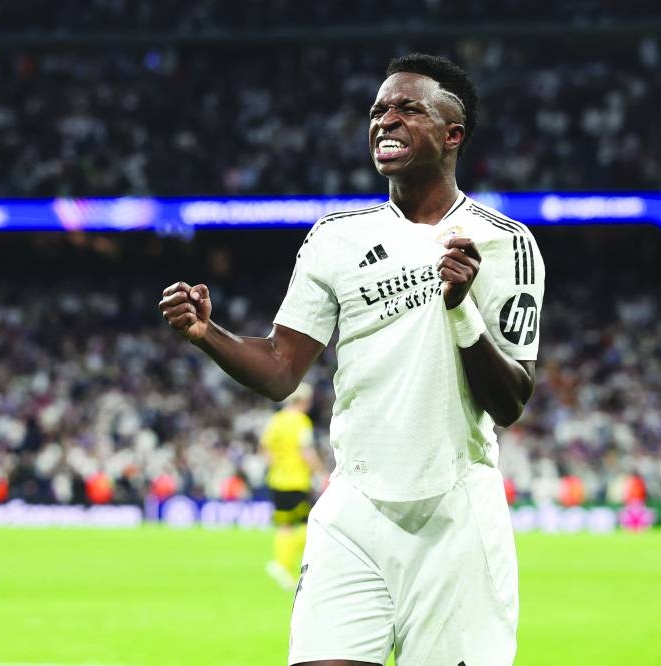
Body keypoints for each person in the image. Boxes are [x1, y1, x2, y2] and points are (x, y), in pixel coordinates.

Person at [159, 53, 544, 666]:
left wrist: (461, 308)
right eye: (377, 110)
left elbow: (511, 400)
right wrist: (210, 335)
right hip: (355, 507)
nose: (384, 120)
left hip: (455, 515)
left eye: (407, 108)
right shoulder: (335, 238)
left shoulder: (504, 242)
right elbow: (282, 369)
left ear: (453, 135)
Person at [261, 382, 327, 591]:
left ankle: (282, 565)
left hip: (277, 479)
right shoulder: (300, 421)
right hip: (296, 480)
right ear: (304, 401)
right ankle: (282, 562)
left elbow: (266, 450)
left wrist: (277, 465)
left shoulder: (276, 420)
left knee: (285, 525)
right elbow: (305, 451)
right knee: (310, 526)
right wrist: (321, 473)